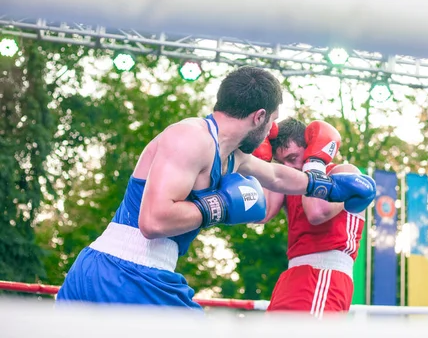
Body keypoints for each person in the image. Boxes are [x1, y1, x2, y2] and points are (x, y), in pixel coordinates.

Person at [56, 66, 376, 309]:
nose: (268, 135)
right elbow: (153, 222)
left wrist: (325, 187)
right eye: (270, 124)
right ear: (259, 116)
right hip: (125, 269)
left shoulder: (231, 156)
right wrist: (219, 205)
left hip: (135, 271)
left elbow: (277, 177)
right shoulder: (190, 137)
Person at [253, 117, 370, 318]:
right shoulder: (290, 184)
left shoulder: (344, 173)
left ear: (309, 148)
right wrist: (261, 165)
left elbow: (317, 212)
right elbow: (261, 213)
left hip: (325, 273)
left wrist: (314, 162)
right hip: (291, 276)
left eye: (292, 158)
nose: (288, 168)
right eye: (281, 163)